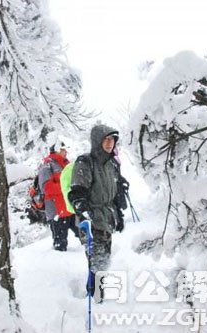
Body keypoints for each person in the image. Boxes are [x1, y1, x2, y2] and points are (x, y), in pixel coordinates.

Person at [68, 124, 126, 300]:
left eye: (112, 140)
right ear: (97, 141)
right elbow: (77, 193)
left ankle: (96, 293)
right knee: (97, 261)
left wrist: (119, 215)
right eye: (106, 139)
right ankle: (95, 297)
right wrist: (85, 213)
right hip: (91, 220)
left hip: (107, 218)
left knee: (104, 259)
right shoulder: (85, 162)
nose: (110, 143)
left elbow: (115, 192)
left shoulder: (112, 164)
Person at [38, 140, 79, 251]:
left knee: (85, 236)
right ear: (56, 149)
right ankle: (60, 265)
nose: (66, 152)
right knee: (60, 246)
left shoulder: (67, 163)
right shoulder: (46, 164)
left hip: (70, 208)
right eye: (63, 150)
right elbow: (46, 188)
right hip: (57, 211)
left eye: (66, 150)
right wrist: (66, 187)